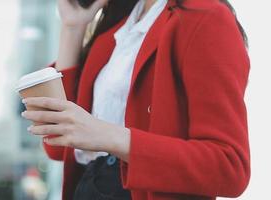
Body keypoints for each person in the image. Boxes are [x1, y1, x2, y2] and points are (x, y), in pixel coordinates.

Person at [21, 0, 251, 199]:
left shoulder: (205, 17)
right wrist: (73, 27)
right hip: (88, 186)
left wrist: (109, 136)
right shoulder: (122, 20)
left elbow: (229, 167)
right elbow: (59, 147)